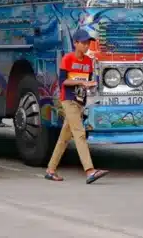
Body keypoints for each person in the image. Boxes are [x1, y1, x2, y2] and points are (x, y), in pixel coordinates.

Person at [44, 29, 110, 184]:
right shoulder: (68, 59)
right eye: (84, 43)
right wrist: (81, 82)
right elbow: (62, 82)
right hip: (68, 101)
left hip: (80, 102)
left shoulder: (88, 62)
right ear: (75, 43)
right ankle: (90, 171)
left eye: (88, 43)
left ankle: (50, 170)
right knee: (80, 134)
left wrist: (91, 87)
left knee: (64, 138)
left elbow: (89, 82)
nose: (87, 46)